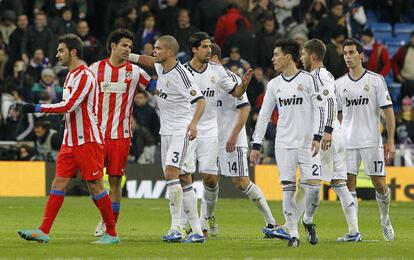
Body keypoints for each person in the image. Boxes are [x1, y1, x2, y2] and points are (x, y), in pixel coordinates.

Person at [17, 33, 119, 244]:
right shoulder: (70, 75)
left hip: (88, 139)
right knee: (59, 182)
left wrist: (35, 107)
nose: (57, 55)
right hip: (70, 140)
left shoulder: (85, 75)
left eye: (61, 50)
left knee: (96, 186)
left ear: (73, 52)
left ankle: (112, 233)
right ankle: (43, 230)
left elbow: (68, 106)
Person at [129, 35, 206, 243]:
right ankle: (197, 232)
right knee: (184, 178)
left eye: (158, 48)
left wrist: (193, 124)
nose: (154, 51)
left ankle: (175, 228)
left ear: (170, 52)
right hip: (166, 132)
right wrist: (129, 55)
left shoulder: (182, 75)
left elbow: (200, 101)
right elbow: (148, 61)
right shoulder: (162, 66)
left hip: (181, 131)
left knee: (172, 174)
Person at [250, 39, 324, 247]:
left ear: (288, 57)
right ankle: (293, 234)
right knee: (288, 188)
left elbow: (320, 109)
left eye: (276, 54)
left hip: (308, 143)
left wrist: (318, 136)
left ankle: (308, 220)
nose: (272, 59)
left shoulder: (309, 80)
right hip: (284, 143)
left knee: (314, 190)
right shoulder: (274, 84)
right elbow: (264, 116)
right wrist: (256, 145)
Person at [180, 32, 253, 237]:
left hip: (210, 130)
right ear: (194, 49)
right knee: (185, 176)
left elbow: (237, 93)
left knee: (210, 179)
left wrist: (244, 84)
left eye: (209, 46)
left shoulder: (217, 70)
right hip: (187, 128)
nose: (208, 50)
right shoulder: (183, 72)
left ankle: (206, 217)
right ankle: (187, 224)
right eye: (204, 46)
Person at [211, 42, 282, 237]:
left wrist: (233, 135)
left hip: (232, 140)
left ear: (214, 58)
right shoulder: (202, 79)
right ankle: (206, 223)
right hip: (210, 139)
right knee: (209, 179)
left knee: (241, 182)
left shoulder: (230, 78)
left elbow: (245, 108)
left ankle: (271, 222)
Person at [89, 29, 153, 237]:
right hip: (96, 135)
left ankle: (109, 225)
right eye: (124, 45)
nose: (128, 49)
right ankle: (105, 216)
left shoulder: (135, 72)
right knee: (93, 182)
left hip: (120, 136)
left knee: (115, 181)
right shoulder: (94, 69)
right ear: (113, 46)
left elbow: (157, 89)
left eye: (130, 46)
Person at [298, 39, 361, 242]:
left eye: (303, 54)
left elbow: (331, 102)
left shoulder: (320, 75)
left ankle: (302, 221)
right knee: (339, 184)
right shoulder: (319, 76)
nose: (301, 58)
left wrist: (327, 131)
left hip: (327, 134)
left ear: (313, 56)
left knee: (308, 182)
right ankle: (354, 231)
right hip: (336, 134)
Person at [335, 38, 395, 241]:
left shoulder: (376, 80)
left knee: (379, 184)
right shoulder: (339, 83)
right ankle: (354, 231)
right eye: (345, 53)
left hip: (371, 140)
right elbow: (339, 116)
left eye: (352, 52)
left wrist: (391, 141)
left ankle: (385, 217)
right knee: (349, 183)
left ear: (361, 55)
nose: (348, 57)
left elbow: (388, 112)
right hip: (348, 142)